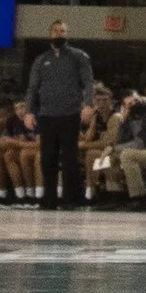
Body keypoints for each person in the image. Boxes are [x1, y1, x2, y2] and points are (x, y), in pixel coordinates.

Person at [25, 19, 93, 210]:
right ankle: (49, 198)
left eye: (62, 31)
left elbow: (88, 82)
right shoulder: (41, 60)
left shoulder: (78, 56)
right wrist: (29, 111)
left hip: (70, 113)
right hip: (47, 114)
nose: (59, 33)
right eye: (56, 30)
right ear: (50, 34)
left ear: (67, 34)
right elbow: (32, 88)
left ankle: (71, 198)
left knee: (70, 158)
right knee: (47, 157)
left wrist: (88, 104)